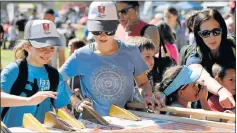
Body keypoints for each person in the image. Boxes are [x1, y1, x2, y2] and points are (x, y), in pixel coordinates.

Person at [59, 1, 157, 116]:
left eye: (108, 29)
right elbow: (57, 79)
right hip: (93, 122)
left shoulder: (131, 51)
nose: (103, 35)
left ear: (116, 25)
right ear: (89, 27)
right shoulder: (80, 55)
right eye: (97, 30)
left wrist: (147, 96)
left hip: (127, 121)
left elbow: (143, 83)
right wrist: (76, 102)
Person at [0, 20, 84, 127]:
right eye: (42, 47)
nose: (48, 52)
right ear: (27, 46)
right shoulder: (14, 70)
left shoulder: (54, 75)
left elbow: (61, 108)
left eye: (52, 47)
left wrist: (69, 118)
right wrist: (29, 101)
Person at [185, 9, 236, 109]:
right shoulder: (194, 55)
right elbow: (200, 75)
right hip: (206, 111)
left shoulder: (234, 45)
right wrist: (221, 91)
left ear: (223, 30)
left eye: (216, 31)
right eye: (205, 33)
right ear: (198, 35)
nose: (211, 37)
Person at [126, 37, 156, 103]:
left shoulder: (148, 78)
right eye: (147, 56)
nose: (152, 60)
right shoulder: (128, 78)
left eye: (153, 56)